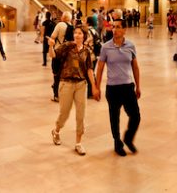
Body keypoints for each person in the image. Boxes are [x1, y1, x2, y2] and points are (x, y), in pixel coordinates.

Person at [95, 19, 142, 156]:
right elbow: (100, 68)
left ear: (124, 30)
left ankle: (128, 138)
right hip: (113, 88)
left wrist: (138, 86)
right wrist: (96, 87)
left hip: (128, 87)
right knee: (114, 117)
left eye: (118, 27)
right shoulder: (106, 47)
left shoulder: (131, 46)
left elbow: (135, 66)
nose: (115, 30)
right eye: (113, 27)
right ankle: (117, 142)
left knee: (136, 116)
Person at [51, 26, 92, 156]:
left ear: (84, 36)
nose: (77, 35)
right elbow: (53, 56)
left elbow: (89, 69)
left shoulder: (86, 51)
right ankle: (56, 131)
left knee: (81, 115)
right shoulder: (67, 46)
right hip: (66, 83)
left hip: (81, 84)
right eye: (75, 33)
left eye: (80, 33)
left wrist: (95, 86)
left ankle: (78, 143)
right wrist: (50, 46)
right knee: (64, 113)